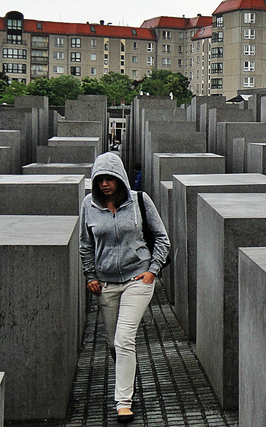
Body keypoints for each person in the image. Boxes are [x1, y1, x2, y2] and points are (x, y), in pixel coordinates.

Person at [79, 152, 169, 423]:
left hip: (137, 279)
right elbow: (86, 244)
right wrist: (90, 275)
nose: (106, 184)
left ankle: (123, 402)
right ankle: (126, 378)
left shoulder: (140, 201)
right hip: (105, 283)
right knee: (113, 344)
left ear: (120, 178)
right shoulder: (89, 205)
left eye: (111, 178)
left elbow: (162, 238)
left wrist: (152, 272)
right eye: (101, 179)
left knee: (124, 338)